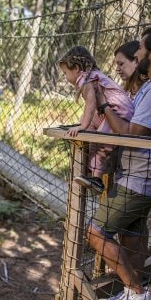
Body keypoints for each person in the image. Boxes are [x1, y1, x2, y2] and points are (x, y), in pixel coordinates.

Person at [88, 26, 151, 300]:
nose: (138, 53)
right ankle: (129, 294)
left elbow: (133, 133)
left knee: (95, 233)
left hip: (141, 180)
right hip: (142, 177)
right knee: (131, 235)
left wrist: (104, 105)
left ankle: (137, 295)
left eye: (142, 49)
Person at [58, 46, 134, 193]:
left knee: (99, 142)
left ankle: (97, 180)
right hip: (115, 110)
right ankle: (88, 171)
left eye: (65, 73)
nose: (65, 77)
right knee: (89, 127)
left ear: (76, 68)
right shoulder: (91, 76)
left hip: (120, 112)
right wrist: (85, 124)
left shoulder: (85, 79)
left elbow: (91, 103)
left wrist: (82, 126)